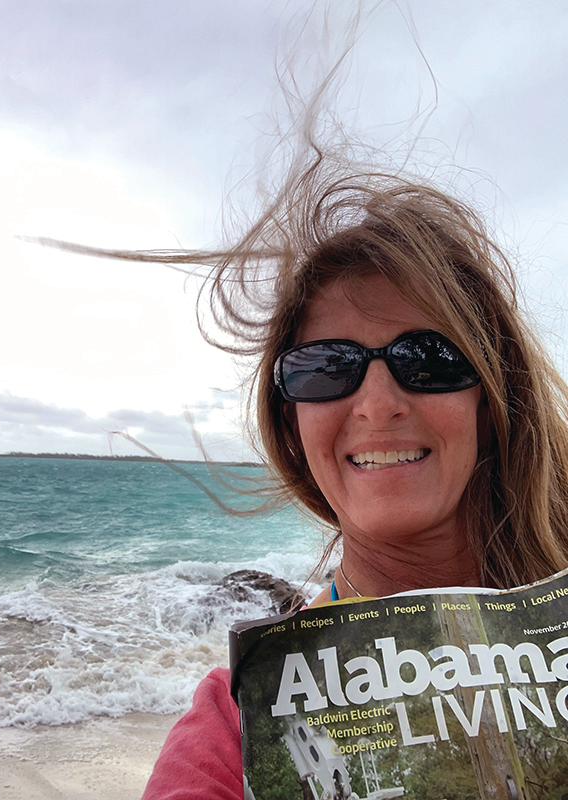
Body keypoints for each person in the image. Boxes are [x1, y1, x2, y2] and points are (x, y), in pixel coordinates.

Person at [136, 155, 568, 798]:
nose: (376, 403)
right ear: (292, 424)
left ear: (495, 394)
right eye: (325, 367)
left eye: (428, 358)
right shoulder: (237, 724)